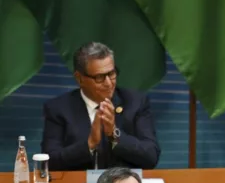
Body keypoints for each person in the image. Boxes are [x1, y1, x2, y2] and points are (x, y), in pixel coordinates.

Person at [42, 42, 160, 171]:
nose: (109, 83)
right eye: (99, 77)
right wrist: (89, 144)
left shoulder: (135, 103)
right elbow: (49, 162)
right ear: (79, 78)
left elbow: (151, 157)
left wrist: (115, 135)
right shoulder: (59, 109)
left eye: (111, 73)